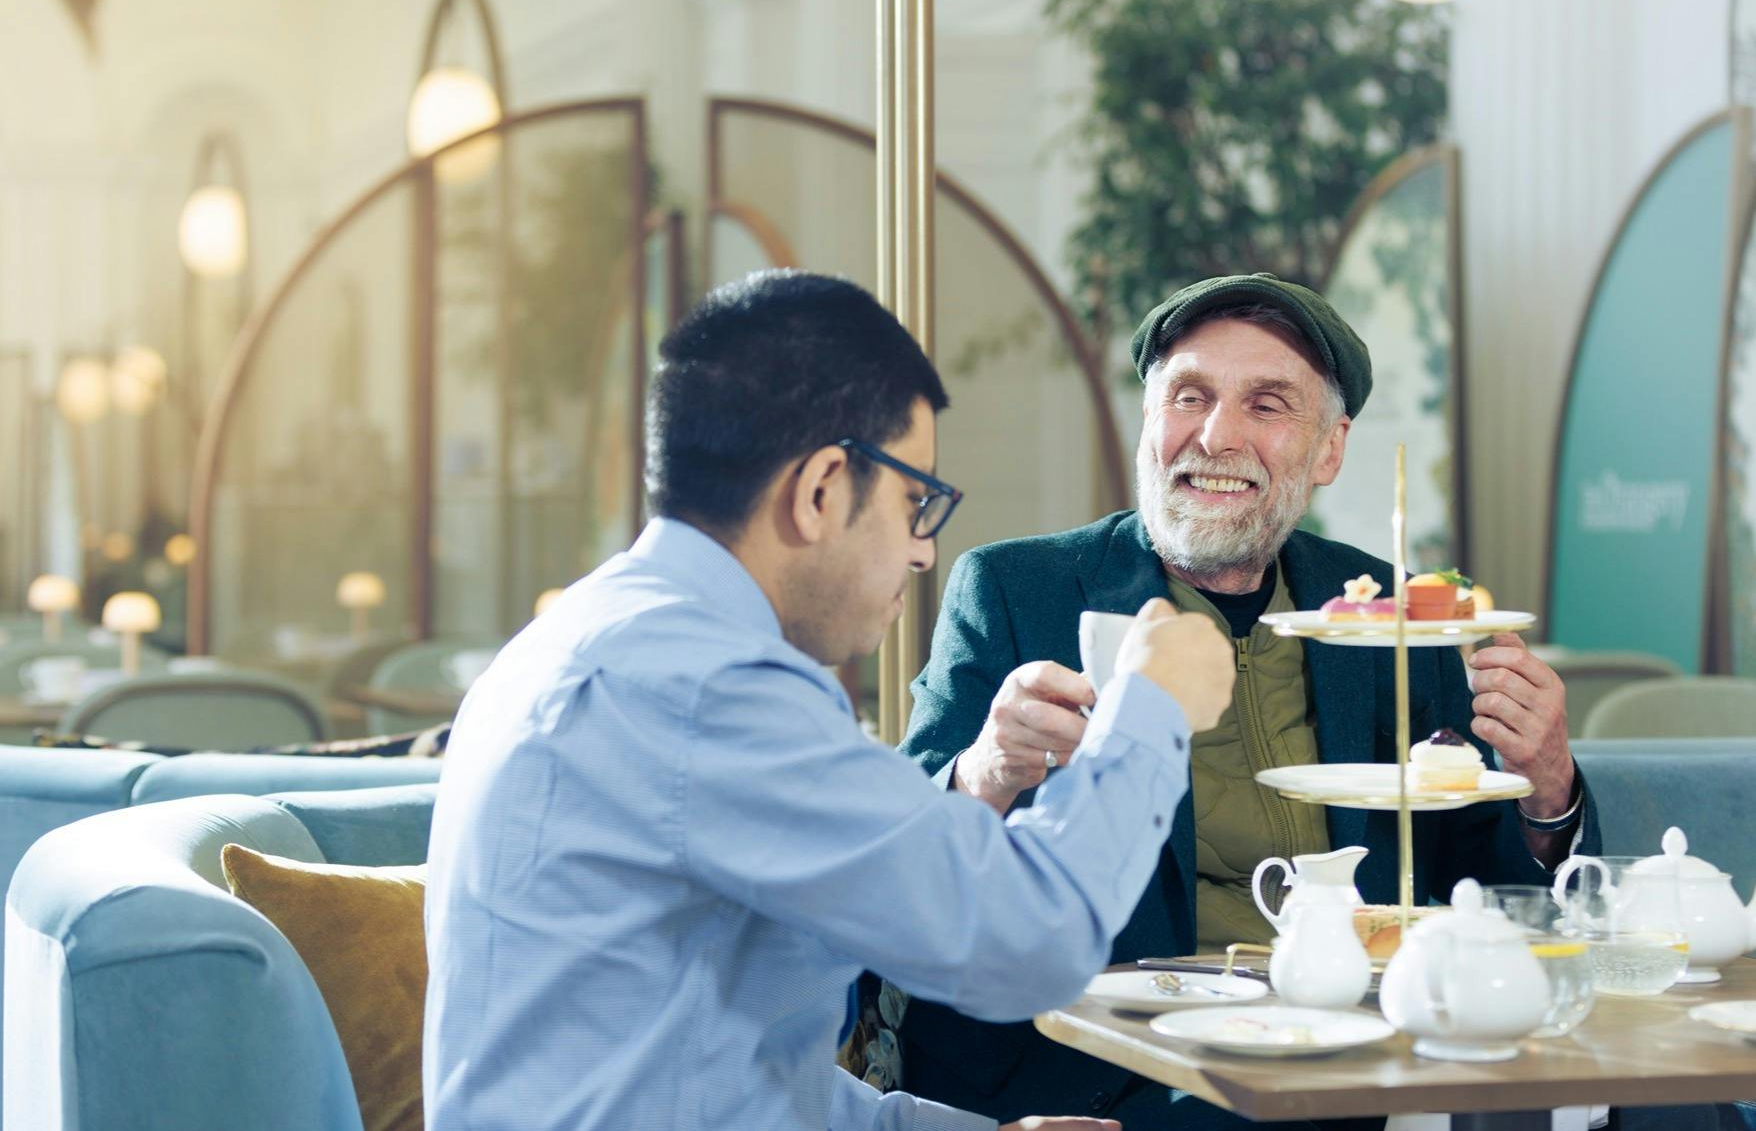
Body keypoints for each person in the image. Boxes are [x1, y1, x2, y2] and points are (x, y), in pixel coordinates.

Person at [423, 269, 1240, 1131]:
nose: (924, 555)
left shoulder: (588, 640)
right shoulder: (706, 690)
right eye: (915, 500)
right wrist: (1147, 708)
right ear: (820, 490)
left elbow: (738, 1080)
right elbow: (1032, 940)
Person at [893, 273, 1600, 1131]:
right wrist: (985, 771)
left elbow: (1482, 889)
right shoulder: (1014, 589)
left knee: (1679, 1107)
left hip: (1354, 1055)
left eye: (1268, 406)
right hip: (1109, 1066)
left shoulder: (1386, 615)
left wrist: (1548, 789)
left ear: (1330, 450)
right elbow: (903, 857)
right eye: (1190, 396)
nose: (1218, 436)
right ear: (1149, 419)